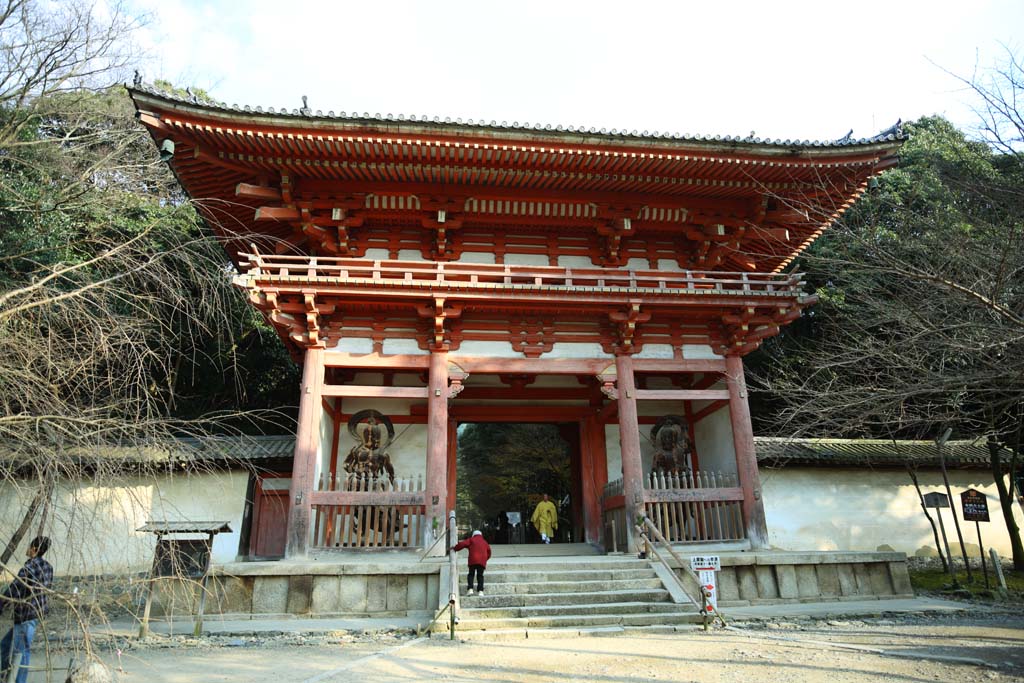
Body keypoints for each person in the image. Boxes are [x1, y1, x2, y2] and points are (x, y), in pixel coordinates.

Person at [0, 536, 53, 683]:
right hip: (36, 614)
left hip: (25, 615)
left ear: (34, 549)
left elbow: (15, 588)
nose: (27, 548)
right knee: (5, 645)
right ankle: (5, 677)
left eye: (29, 546)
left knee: (21, 652)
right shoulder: (48, 567)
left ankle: (18, 681)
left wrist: (2, 604)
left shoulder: (29, 567)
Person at [452, 530, 491, 596]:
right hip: (482, 562)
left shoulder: (471, 540)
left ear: (473, 535)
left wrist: (455, 548)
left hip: (473, 560)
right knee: (480, 575)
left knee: (471, 574)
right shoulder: (485, 542)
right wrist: (484, 559)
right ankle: (480, 591)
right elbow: (489, 552)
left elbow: (463, 544)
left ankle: (470, 589)